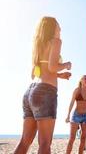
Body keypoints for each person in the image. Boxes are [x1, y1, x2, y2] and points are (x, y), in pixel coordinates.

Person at [14, 17, 72, 154]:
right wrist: (65, 65)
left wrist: (59, 75)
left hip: (30, 92)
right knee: (45, 143)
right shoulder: (56, 41)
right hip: (46, 92)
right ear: (52, 28)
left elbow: (37, 72)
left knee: (25, 141)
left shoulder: (38, 44)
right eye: (58, 26)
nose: (60, 29)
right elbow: (52, 67)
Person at [65, 75, 86, 154]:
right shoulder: (77, 90)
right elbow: (71, 103)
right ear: (81, 80)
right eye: (85, 78)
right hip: (76, 116)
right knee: (72, 138)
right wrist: (68, 115)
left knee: (83, 138)